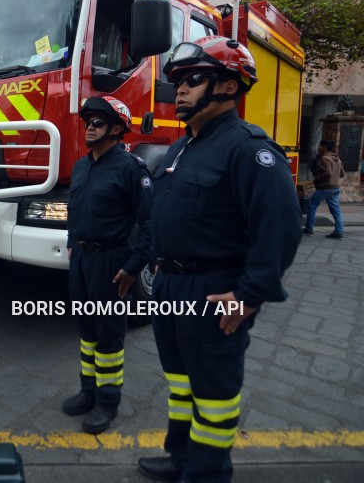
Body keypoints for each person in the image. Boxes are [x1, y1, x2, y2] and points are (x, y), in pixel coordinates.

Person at [138, 36, 302, 483]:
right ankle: (180, 458)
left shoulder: (248, 148)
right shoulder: (183, 146)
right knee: (180, 383)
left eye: (193, 80)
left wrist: (248, 296)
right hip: (171, 288)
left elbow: (281, 228)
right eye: (179, 82)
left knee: (214, 393)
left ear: (229, 87)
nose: (181, 91)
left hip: (213, 292)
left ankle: (206, 473)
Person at [63, 95, 152, 434]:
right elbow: (75, 209)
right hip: (82, 260)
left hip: (111, 262)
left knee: (109, 335)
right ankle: (88, 393)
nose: (90, 127)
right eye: (88, 122)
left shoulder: (131, 170)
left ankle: (107, 402)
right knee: (86, 331)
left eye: (98, 122)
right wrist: (73, 244)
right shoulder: (83, 166)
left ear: (117, 129)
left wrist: (133, 266)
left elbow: (148, 223)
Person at [303, 139, 345, 239]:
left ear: (324, 147)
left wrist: (317, 180)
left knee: (312, 205)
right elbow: (342, 173)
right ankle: (339, 231)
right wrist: (334, 180)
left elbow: (327, 173)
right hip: (335, 188)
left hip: (325, 188)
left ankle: (309, 229)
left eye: (320, 146)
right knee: (336, 210)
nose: (318, 148)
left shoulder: (325, 159)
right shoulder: (337, 159)